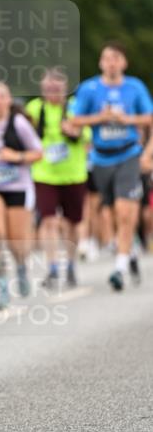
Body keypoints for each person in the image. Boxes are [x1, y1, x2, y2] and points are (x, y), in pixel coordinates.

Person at [70, 42, 153, 291]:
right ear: (101, 62)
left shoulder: (135, 87)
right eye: (107, 58)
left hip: (128, 155)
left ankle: (119, 267)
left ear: (124, 63)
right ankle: (130, 252)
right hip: (100, 158)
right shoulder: (89, 88)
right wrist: (101, 117)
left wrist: (127, 119)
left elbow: (149, 117)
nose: (112, 63)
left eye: (116, 58)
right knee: (112, 213)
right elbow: (74, 120)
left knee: (125, 210)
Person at [0, 82, 43, 311]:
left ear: (8, 100)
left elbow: (38, 153)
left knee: (17, 242)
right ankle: (2, 283)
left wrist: (15, 156)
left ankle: (21, 267)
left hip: (18, 187)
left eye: (1, 97)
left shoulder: (19, 123)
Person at [26, 69, 91, 288]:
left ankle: (70, 264)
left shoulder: (76, 108)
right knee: (49, 220)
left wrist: (75, 132)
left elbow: (88, 136)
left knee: (72, 222)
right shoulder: (34, 109)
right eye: (48, 88)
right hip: (44, 174)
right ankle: (52, 267)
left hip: (74, 174)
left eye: (57, 88)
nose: (52, 92)